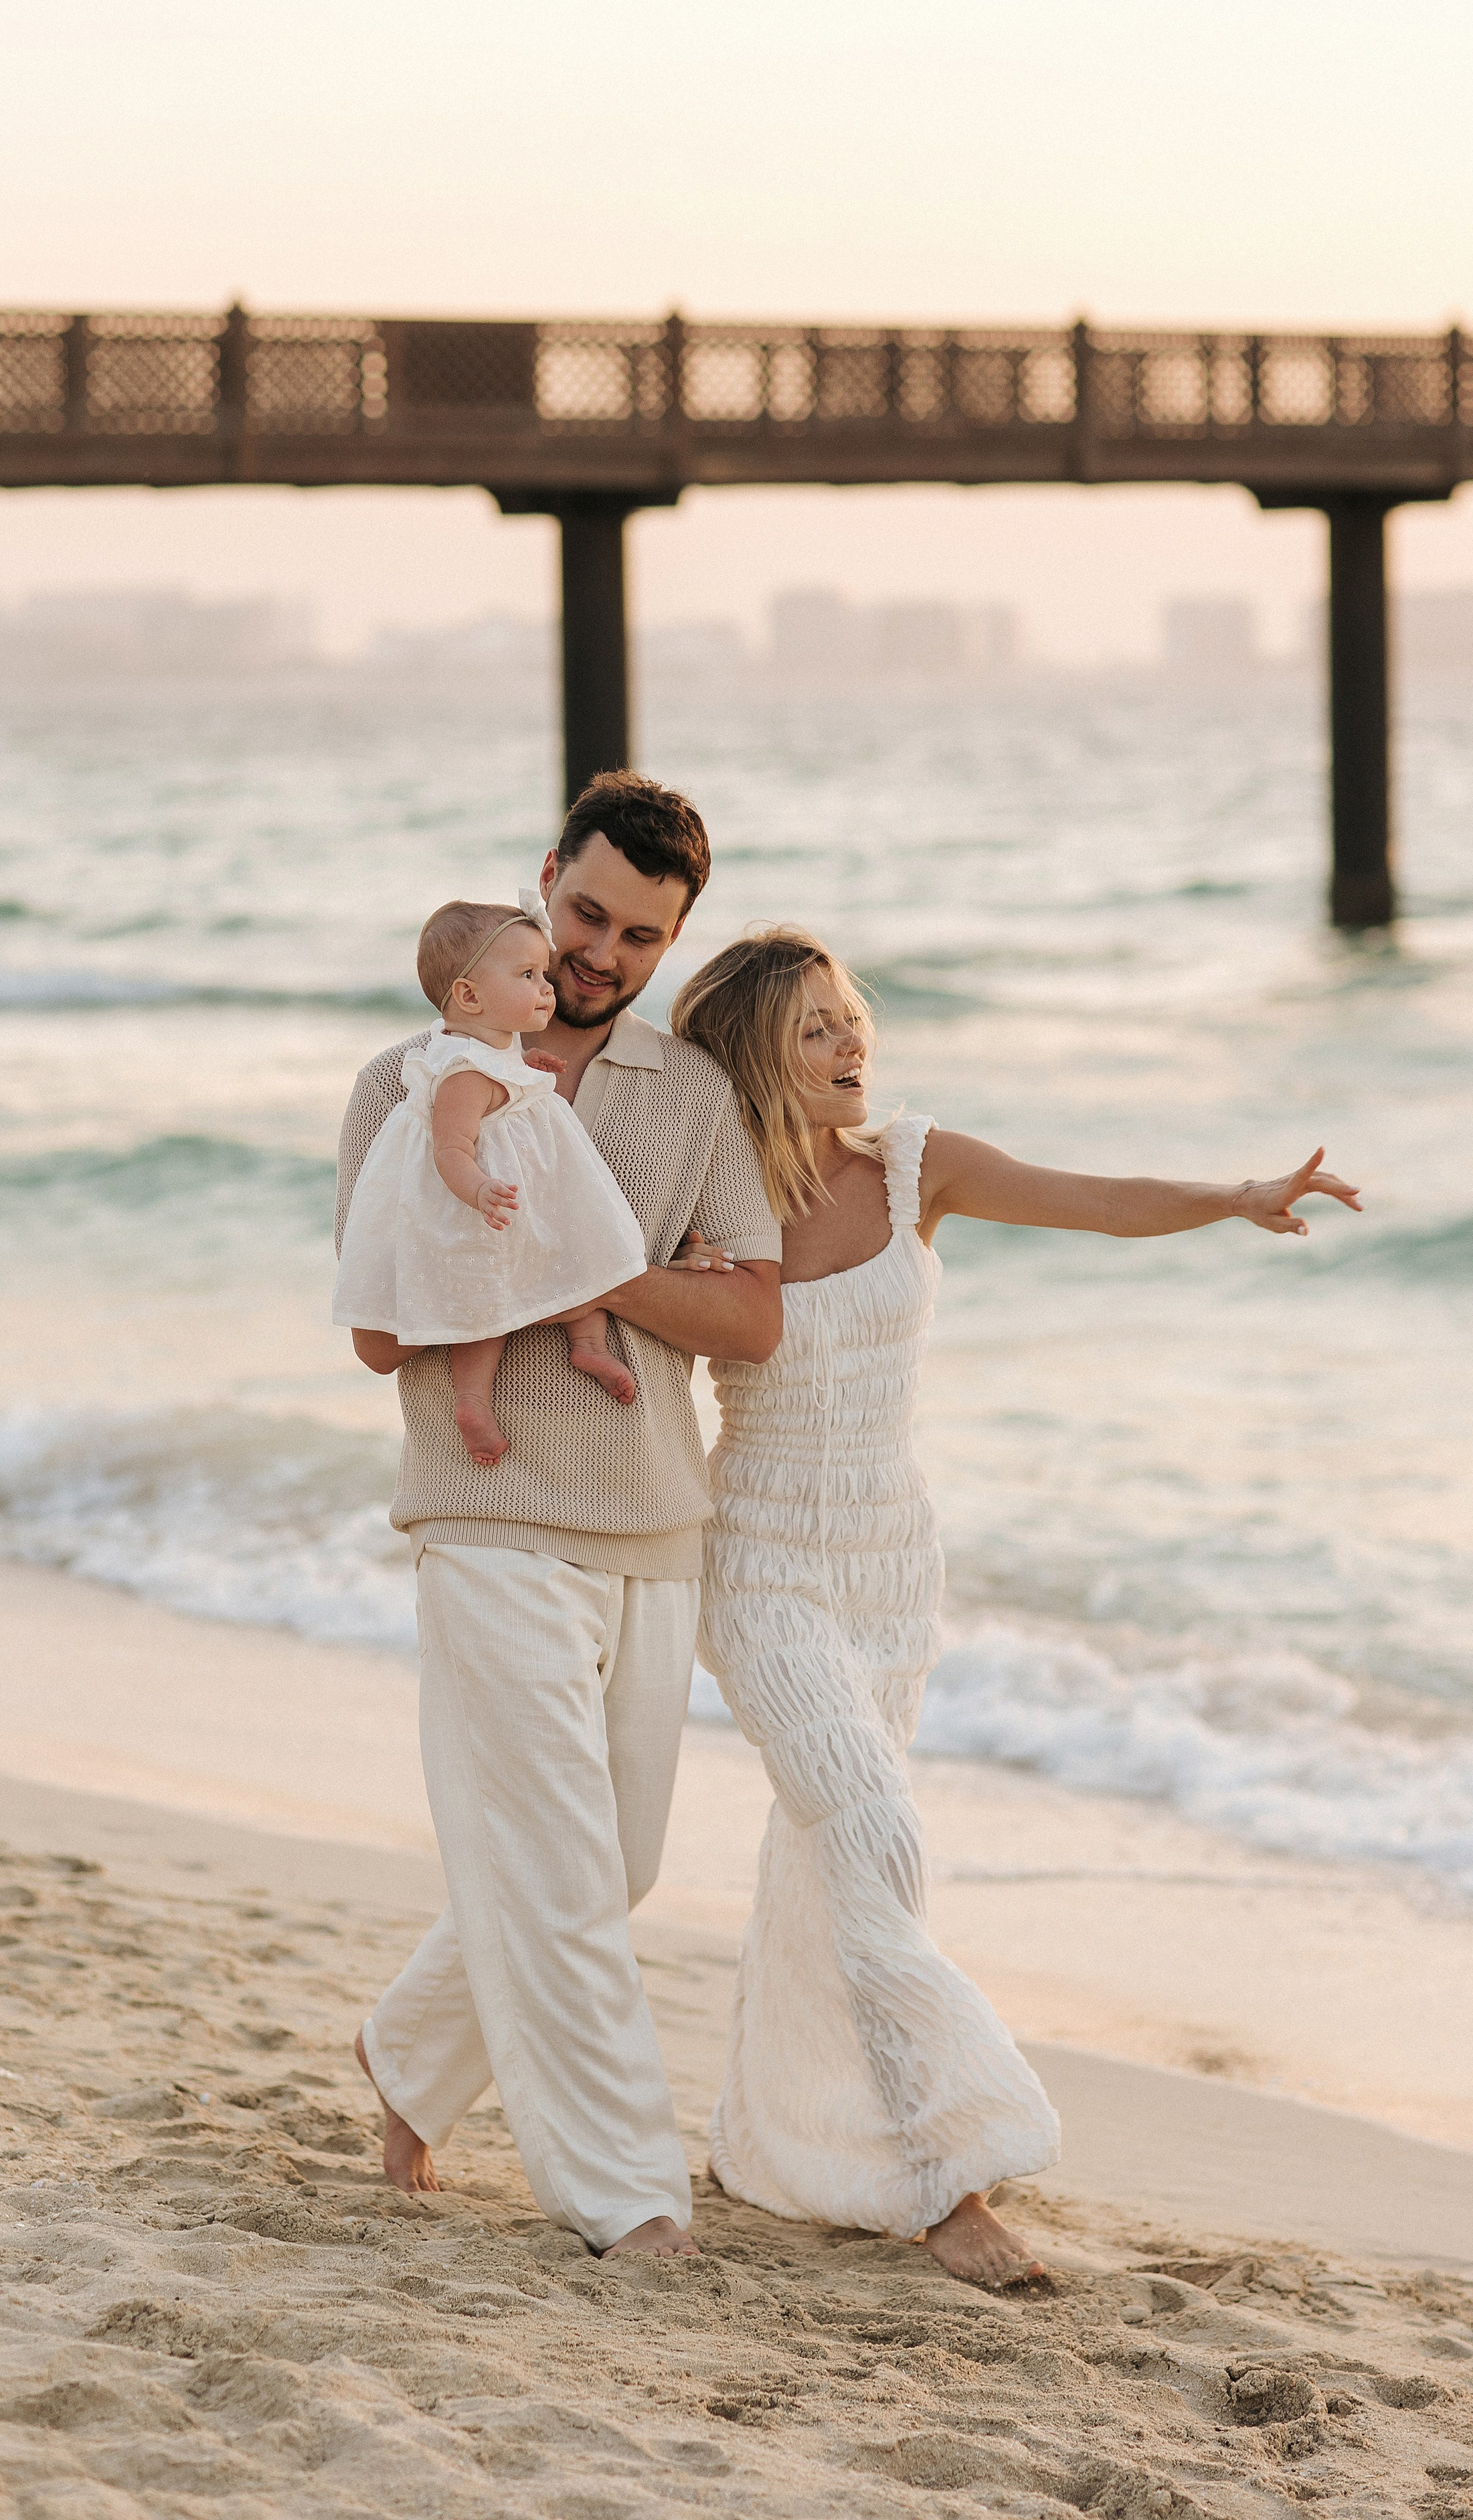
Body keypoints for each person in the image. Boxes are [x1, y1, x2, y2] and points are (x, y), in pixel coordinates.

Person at [673, 927, 1361, 2290]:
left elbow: (1093, 1198)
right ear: (753, 1055)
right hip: (758, 1565)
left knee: (823, 1862)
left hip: (888, 1566)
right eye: (814, 1029)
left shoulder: (916, 1164)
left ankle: (764, 2139)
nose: (851, 1044)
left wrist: (1231, 1194)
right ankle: (949, 2180)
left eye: (852, 1017)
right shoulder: (705, 1198)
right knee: (873, 1835)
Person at [336, 774, 784, 2260]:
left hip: (656, 1517)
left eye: (636, 936)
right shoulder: (410, 1084)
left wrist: (596, 1279)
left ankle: (407, 2056)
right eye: (581, 915)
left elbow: (751, 1321)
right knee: (557, 1868)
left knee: (614, 1861)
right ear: (542, 883)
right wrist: (577, 1262)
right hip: (484, 1510)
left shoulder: (691, 1096)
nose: (595, 954)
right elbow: (378, 1335)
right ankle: (628, 2195)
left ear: (669, 945)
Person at [333, 896, 646, 1464]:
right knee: (482, 1303)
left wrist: (531, 1068)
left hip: (519, 1196)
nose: (547, 988)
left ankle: (588, 1345)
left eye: (543, 973)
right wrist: (479, 1190)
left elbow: (511, 1081)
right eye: (528, 975)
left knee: (584, 1247)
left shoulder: (496, 1046)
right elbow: (450, 1149)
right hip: (479, 1208)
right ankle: (473, 1398)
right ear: (469, 996)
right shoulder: (460, 1072)